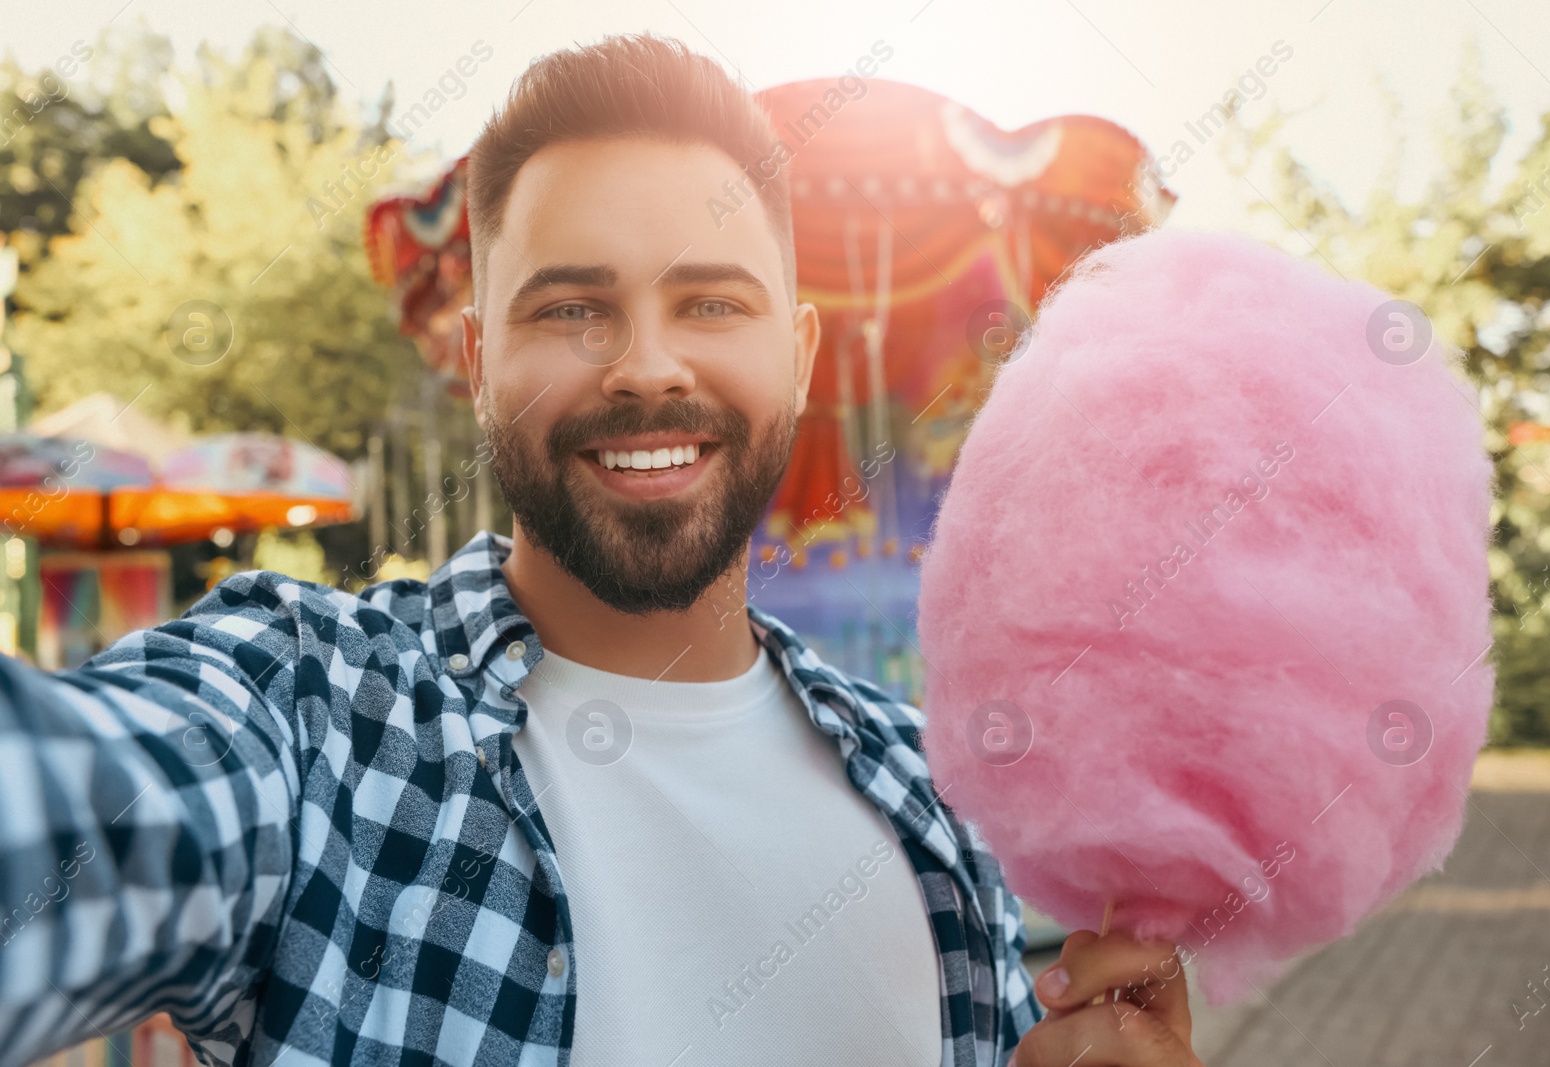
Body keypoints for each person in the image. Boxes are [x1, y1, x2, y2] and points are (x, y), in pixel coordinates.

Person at [0, 33, 1201, 1067]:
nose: (645, 364)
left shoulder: (930, 811)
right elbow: (80, 798)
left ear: (797, 351)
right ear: (477, 362)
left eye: (711, 304)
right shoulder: (317, 716)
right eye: (571, 307)